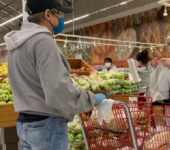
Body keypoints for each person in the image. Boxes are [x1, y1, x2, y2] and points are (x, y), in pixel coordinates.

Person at [4, 0, 106, 150]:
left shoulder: (15, 45)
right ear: (47, 14)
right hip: (47, 126)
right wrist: (91, 99)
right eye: (59, 14)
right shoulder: (43, 42)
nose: (62, 19)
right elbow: (59, 92)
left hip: (25, 125)